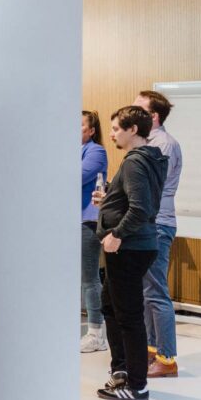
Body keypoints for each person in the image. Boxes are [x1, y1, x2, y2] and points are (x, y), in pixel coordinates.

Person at [94, 105, 167, 400]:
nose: (111, 134)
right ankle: (122, 369)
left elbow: (141, 208)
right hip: (133, 245)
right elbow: (135, 202)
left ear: (132, 130)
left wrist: (116, 234)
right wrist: (111, 197)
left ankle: (137, 385)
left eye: (115, 129)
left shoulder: (136, 162)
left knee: (129, 315)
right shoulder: (146, 160)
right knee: (112, 307)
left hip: (129, 247)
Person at [134, 90, 183, 378]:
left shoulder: (163, 144)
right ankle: (152, 352)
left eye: (138, 109)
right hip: (151, 223)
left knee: (156, 292)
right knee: (147, 291)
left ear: (153, 116)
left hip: (158, 224)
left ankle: (167, 360)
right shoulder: (151, 142)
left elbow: (149, 188)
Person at [80, 111, 109, 352]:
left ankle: (96, 333)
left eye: (79, 126)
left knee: (89, 279)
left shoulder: (96, 151)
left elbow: (73, 177)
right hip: (67, 221)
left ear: (91, 131)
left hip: (87, 222)